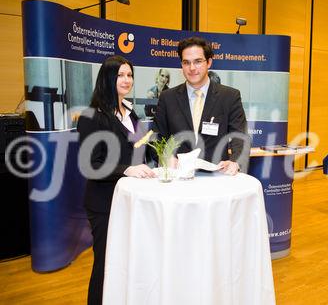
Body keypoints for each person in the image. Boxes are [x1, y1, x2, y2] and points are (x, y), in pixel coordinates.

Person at [77, 55, 155, 305]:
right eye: (120, 75)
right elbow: (90, 165)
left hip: (130, 201)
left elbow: (141, 147)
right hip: (104, 204)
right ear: (107, 78)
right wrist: (127, 170)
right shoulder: (92, 116)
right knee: (105, 265)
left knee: (125, 264)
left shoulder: (131, 113)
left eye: (130, 75)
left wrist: (163, 155)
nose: (126, 80)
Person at [154, 36, 250, 175]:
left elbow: (240, 136)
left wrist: (235, 161)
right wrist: (165, 156)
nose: (192, 68)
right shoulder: (167, 98)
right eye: (186, 62)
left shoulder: (229, 97)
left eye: (198, 62)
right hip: (178, 179)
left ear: (209, 62)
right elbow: (157, 137)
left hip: (216, 178)